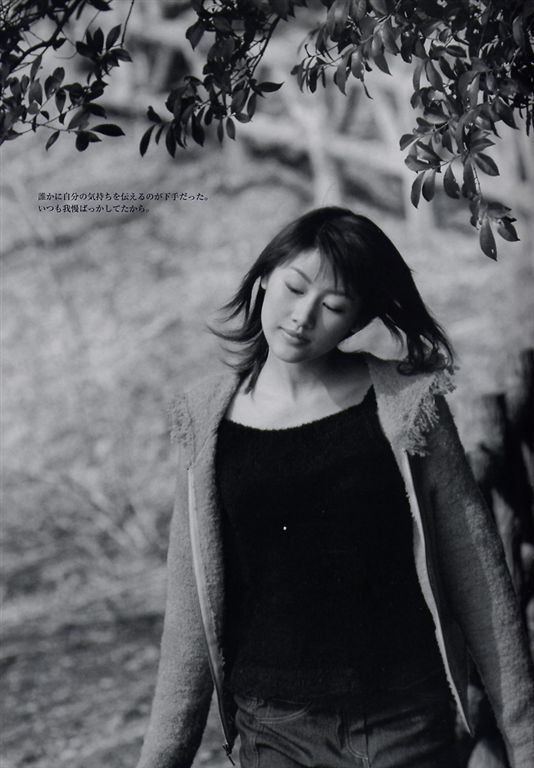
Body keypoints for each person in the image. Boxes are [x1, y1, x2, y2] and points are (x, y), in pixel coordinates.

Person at [135, 207, 534, 768]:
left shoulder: (406, 405)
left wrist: (525, 735)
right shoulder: (206, 420)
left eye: (334, 305)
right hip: (274, 730)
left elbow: (478, 572)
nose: (302, 317)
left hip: (404, 721)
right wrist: (161, 758)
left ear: (357, 320)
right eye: (295, 287)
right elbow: (188, 611)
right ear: (265, 275)